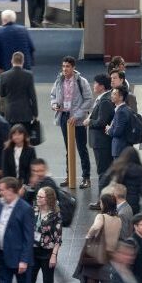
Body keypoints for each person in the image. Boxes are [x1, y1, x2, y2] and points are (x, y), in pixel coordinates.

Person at [77, 193, 122, 283]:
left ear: (104, 204)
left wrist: (88, 235)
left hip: (96, 257)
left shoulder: (101, 216)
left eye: (101, 202)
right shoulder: (118, 220)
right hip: (110, 258)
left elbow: (96, 227)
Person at [50, 56, 93, 188]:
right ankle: (69, 176)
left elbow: (88, 99)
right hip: (64, 116)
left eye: (67, 66)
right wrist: (54, 104)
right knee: (68, 148)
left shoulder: (81, 81)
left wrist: (78, 115)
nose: (65, 69)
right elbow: (52, 96)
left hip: (78, 120)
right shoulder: (59, 80)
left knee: (81, 148)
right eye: (63, 66)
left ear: (73, 68)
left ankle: (86, 177)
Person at [31, 186, 62, 283]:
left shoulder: (55, 215)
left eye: (41, 197)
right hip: (33, 251)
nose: (38, 199)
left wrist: (54, 255)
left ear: (48, 199)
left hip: (47, 253)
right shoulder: (34, 210)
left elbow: (58, 238)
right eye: (37, 196)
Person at [85, 73, 115, 197]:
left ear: (102, 86)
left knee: (103, 171)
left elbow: (102, 122)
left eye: (96, 83)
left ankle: (102, 200)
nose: (94, 85)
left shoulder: (105, 101)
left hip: (102, 142)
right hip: (101, 142)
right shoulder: (104, 98)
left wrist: (89, 121)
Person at [106, 147, 142, 215]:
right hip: (134, 205)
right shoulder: (139, 170)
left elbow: (104, 181)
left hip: (119, 203)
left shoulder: (118, 167)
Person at [0, 51, 38, 130]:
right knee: (25, 139)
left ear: (12, 61)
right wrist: (35, 113)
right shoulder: (29, 75)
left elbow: (2, 94)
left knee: (11, 138)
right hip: (25, 114)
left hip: (10, 113)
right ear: (23, 61)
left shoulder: (4, 76)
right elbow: (33, 96)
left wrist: (1, 113)